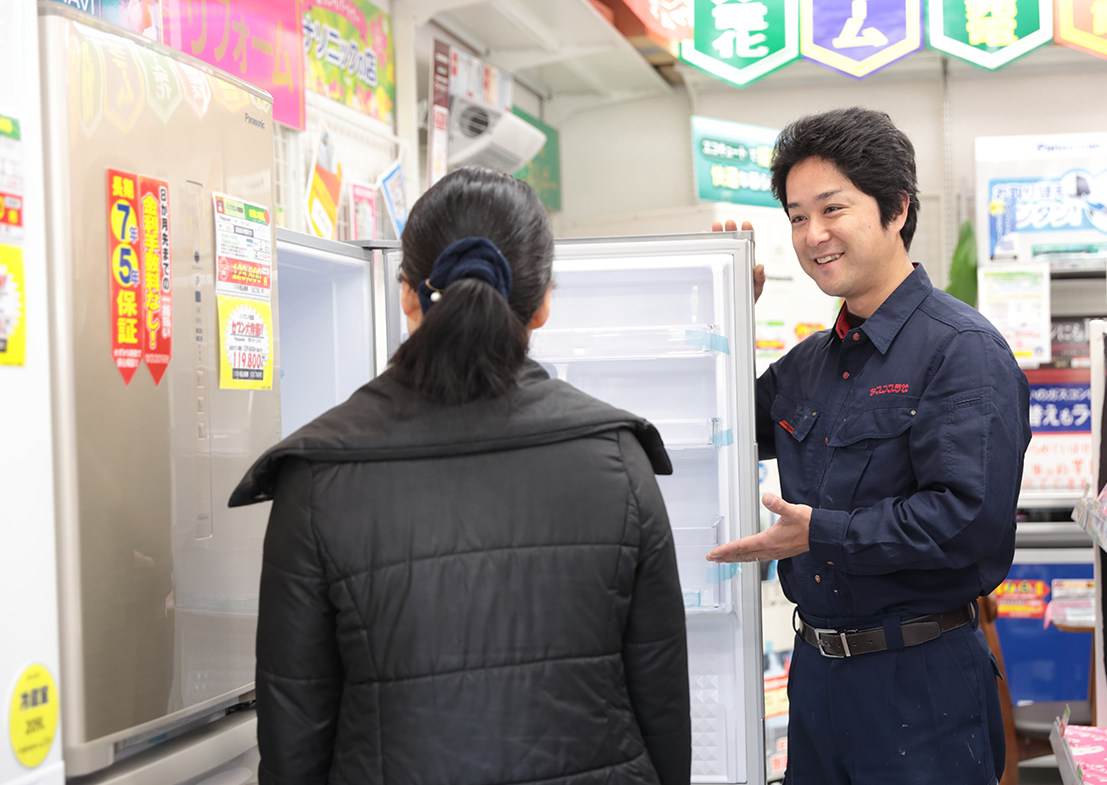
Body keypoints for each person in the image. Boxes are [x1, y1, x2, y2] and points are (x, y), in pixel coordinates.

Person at [231, 168, 691, 785]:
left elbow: (294, 731)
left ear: (407, 295)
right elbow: (660, 700)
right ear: (545, 301)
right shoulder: (617, 456)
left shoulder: (316, 475)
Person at [709, 107, 1032, 784]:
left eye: (832, 209)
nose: (812, 235)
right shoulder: (805, 368)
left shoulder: (962, 352)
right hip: (818, 679)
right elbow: (717, 427)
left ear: (897, 209)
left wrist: (820, 533)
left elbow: (967, 521)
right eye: (797, 216)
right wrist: (728, 311)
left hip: (923, 684)